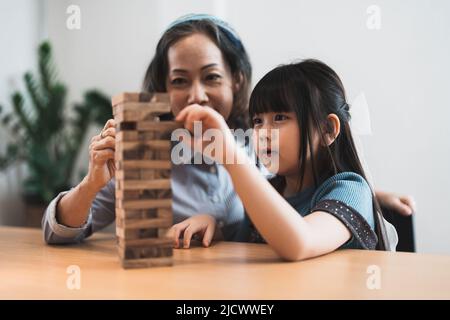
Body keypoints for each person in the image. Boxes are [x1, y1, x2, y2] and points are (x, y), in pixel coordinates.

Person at [42, 14, 414, 248]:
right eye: (179, 80)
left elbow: (310, 185)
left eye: (211, 77)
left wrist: (372, 194)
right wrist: (90, 185)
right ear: (162, 90)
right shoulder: (142, 154)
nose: (197, 95)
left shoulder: (262, 149)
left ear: (237, 81)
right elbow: (61, 232)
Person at [173, 59, 398, 260]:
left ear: (328, 130)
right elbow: (246, 248)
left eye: (279, 118)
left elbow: (300, 242)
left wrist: (231, 157)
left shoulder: (350, 190)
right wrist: (214, 229)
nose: (262, 133)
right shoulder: (271, 190)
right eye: (258, 121)